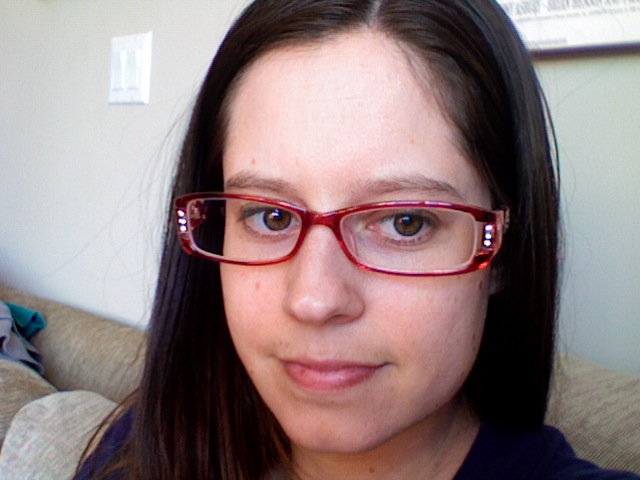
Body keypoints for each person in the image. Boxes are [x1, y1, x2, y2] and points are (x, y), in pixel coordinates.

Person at [75, 1, 639, 479]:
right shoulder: (143, 450)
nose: (314, 300)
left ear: (504, 251)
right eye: (270, 216)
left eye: (405, 222)